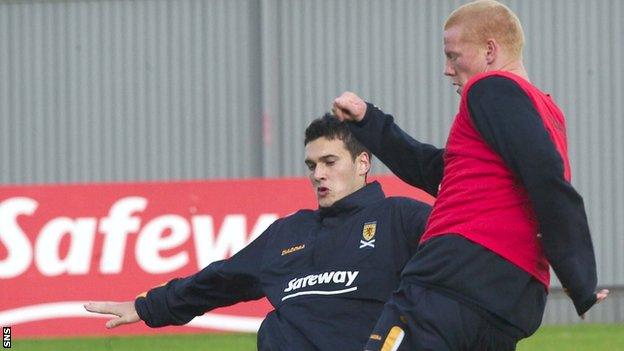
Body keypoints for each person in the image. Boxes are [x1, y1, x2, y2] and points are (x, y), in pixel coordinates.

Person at [332, 1, 608, 350]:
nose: (447, 69)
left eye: (453, 55)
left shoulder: (491, 87)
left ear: (490, 51)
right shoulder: (547, 112)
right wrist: (368, 121)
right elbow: (439, 173)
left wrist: (578, 269)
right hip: (511, 297)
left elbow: (545, 175)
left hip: (453, 278)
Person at [84, 115, 432, 351]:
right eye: (311, 165)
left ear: (362, 163)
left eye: (330, 162)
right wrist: (149, 307)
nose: (318, 175)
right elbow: (220, 279)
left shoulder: (400, 217)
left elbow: (462, 261)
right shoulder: (289, 231)